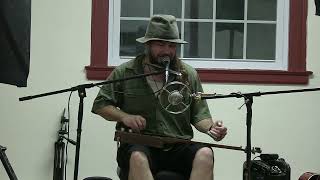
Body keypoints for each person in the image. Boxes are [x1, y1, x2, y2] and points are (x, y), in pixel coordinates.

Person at [92, 14, 227, 180]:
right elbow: (101, 105)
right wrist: (125, 117)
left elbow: (200, 115)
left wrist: (211, 129)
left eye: (171, 46)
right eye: (160, 45)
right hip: (140, 145)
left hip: (178, 145)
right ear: (148, 45)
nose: (166, 51)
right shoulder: (126, 72)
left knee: (205, 153)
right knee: (138, 158)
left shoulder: (188, 74)